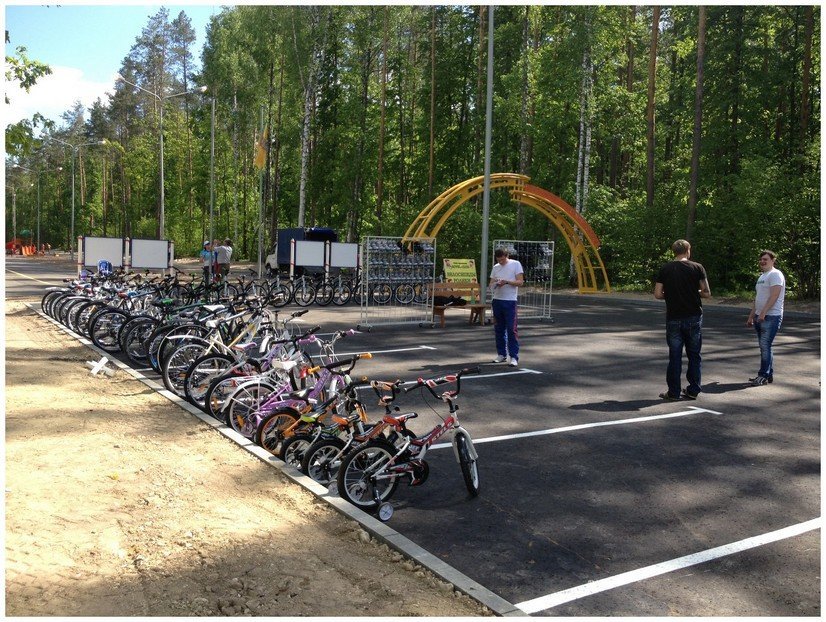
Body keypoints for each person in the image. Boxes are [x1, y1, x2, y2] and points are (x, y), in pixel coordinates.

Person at [653, 239, 711, 400]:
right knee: (694, 354)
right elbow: (707, 292)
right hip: (693, 316)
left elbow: (658, 294)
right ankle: (693, 389)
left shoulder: (666, 268)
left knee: (675, 355)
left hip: (674, 317)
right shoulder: (697, 267)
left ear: (674, 251)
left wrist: (672, 293)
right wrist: (692, 291)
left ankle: (673, 391)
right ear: (688, 250)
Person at [746, 250, 785, 386]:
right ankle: (768, 375)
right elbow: (757, 298)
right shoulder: (762, 276)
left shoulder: (775, 274)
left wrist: (763, 312)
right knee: (765, 347)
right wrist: (751, 316)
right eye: (761, 259)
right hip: (760, 315)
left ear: (773, 260)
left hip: (771, 316)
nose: (762, 261)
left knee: (765, 346)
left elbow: (774, 295)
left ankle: (762, 375)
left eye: (765, 259)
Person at [489, 247, 524, 367]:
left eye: (503, 260)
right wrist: (495, 284)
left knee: (511, 329)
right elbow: (491, 284)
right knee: (498, 329)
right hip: (497, 300)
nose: (501, 262)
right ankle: (501, 354)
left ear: (507, 256)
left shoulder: (515, 264)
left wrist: (507, 282)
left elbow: (520, 282)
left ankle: (514, 356)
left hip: (510, 301)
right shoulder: (495, 267)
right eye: (499, 260)